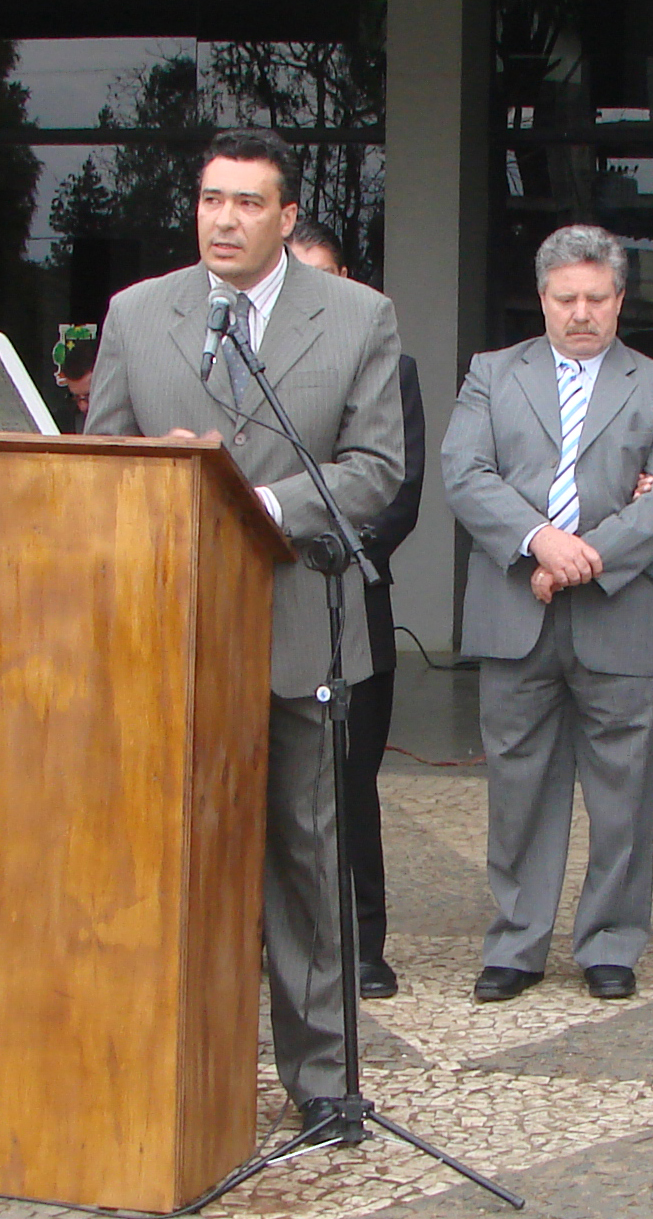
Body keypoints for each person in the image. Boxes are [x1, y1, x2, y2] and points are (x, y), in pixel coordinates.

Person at [85, 127, 408, 1126]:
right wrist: (168, 480)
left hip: (300, 624)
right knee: (167, 860)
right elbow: (103, 463)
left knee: (308, 866)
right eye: (210, 199)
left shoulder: (357, 317)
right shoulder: (137, 315)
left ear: (285, 214)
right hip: (169, 634)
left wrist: (253, 501)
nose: (223, 219)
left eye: (245, 202)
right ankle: (173, 1073)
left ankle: (320, 1084)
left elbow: (376, 469)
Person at [440, 225, 653, 1003]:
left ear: (620, 300)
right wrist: (542, 542)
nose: (580, 312)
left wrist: (585, 558)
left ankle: (611, 943)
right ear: (541, 298)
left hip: (621, 613)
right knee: (518, 790)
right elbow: (464, 472)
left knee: (623, 795)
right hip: (516, 610)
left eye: (596, 297)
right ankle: (516, 944)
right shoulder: (491, 373)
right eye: (564, 298)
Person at [286, 219, 423, 1001]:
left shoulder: (391, 368)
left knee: (348, 777)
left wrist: (327, 547)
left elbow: (397, 496)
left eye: (331, 275)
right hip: (267, 592)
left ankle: (363, 943)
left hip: (350, 594)